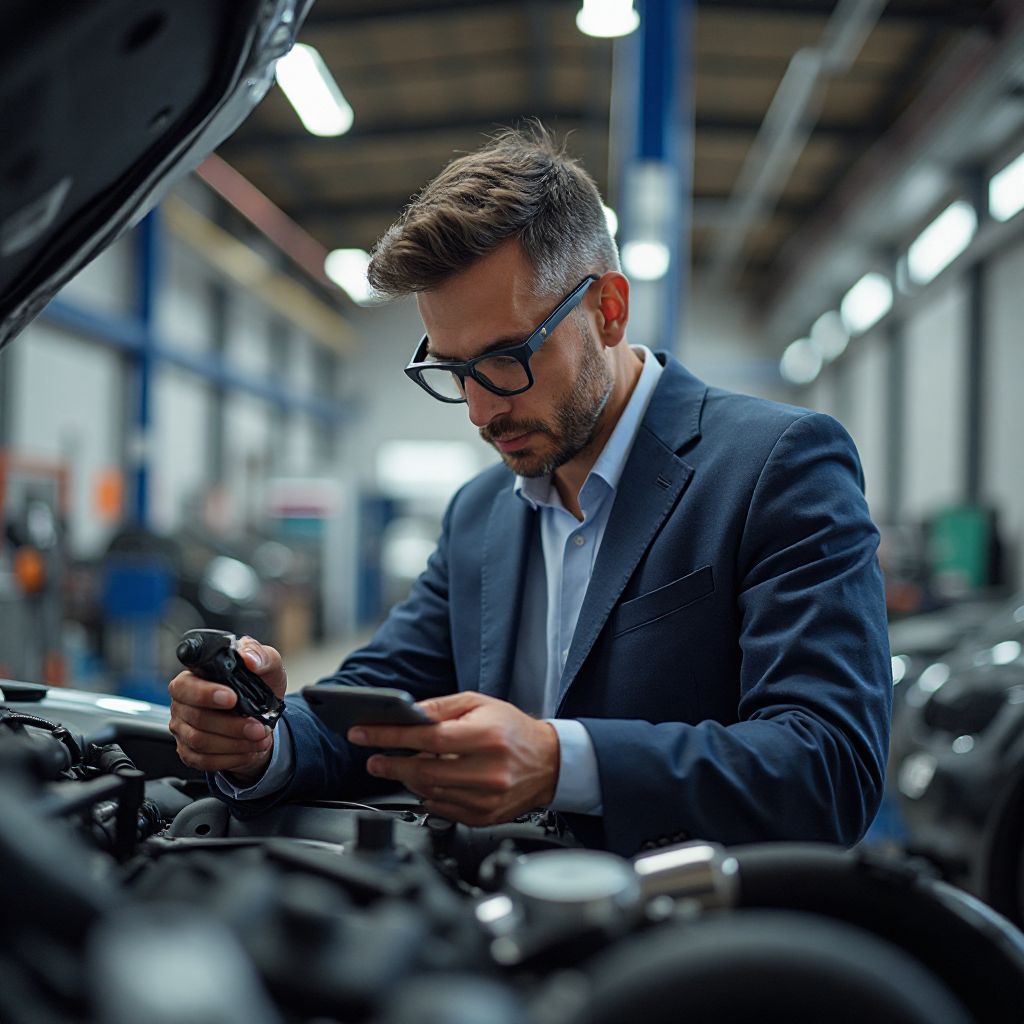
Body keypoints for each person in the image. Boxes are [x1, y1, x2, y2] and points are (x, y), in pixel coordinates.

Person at [168, 126, 891, 857]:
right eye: (453, 371)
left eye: (507, 358)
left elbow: (829, 767)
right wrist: (260, 738)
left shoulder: (775, 465)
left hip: (699, 940)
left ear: (607, 310)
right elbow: (383, 692)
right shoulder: (481, 512)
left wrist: (560, 762)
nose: (482, 412)